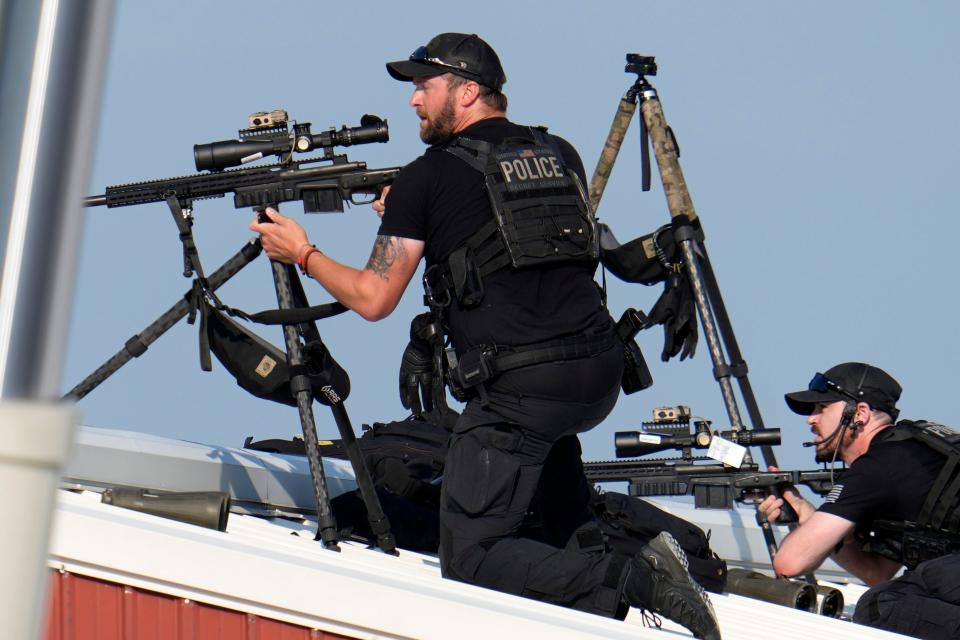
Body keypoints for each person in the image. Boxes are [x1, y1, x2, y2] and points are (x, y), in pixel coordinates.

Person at [251, 32, 719, 640]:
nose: (414, 101)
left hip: (520, 390)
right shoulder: (559, 152)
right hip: (596, 374)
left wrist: (302, 251)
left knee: (471, 559)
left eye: (425, 86)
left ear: (467, 92)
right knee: (556, 521)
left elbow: (374, 298)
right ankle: (605, 576)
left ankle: (637, 576)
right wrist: (414, 215)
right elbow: (505, 233)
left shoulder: (429, 177)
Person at [759, 362, 960, 639]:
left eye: (822, 408)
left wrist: (809, 526)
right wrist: (807, 515)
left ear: (859, 413)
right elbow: (878, 572)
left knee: (880, 605)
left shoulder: (878, 466)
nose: (811, 420)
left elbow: (789, 563)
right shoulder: (908, 450)